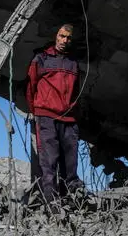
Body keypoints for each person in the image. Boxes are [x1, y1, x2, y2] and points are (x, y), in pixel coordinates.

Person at [25, 24, 84, 206]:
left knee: (70, 163)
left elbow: (76, 91)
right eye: (61, 36)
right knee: (49, 162)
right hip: (46, 116)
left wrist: (73, 111)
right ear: (56, 36)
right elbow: (31, 88)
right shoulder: (41, 59)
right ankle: (51, 204)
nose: (64, 40)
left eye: (68, 38)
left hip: (68, 118)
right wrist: (37, 112)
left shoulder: (73, 63)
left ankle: (71, 203)